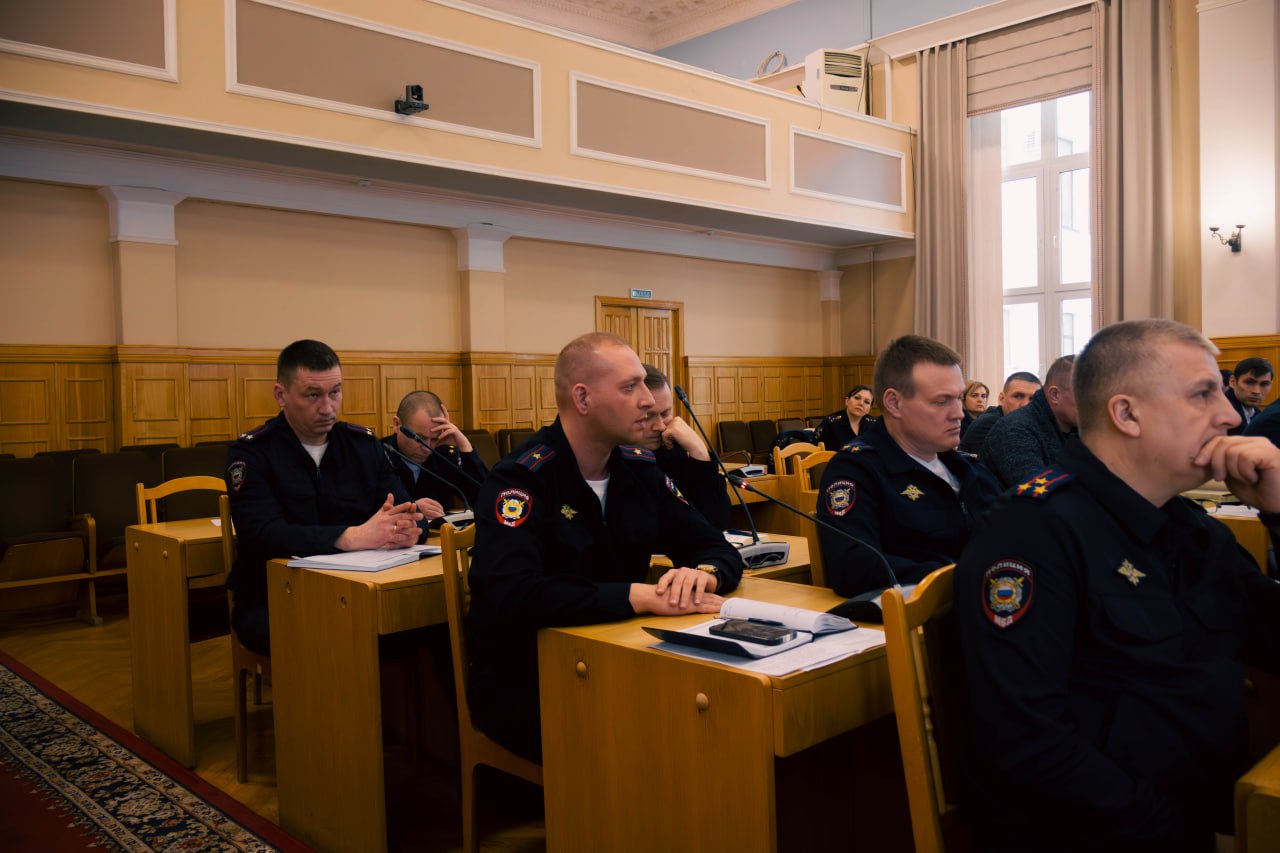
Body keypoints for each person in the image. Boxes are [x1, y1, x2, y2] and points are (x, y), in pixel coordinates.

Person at [954, 319, 1280, 852]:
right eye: (1203, 394)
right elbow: (1027, 743)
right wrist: (1182, 834)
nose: (1227, 415)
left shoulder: (1187, 526)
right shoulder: (1033, 532)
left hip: (1205, 811)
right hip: (1119, 832)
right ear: (1126, 413)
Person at [465, 332, 743, 762]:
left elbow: (712, 543)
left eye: (644, 386)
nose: (649, 401)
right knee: (671, 730)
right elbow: (515, 594)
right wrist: (639, 595)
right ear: (582, 398)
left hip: (620, 658)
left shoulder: (638, 468)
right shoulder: (521, 480)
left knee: (722, 710)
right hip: (529, 678)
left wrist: (703, 573)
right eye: (630, 387)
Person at [225, 340, 425, 655]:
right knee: (333, 637)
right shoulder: (253, 453)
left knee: (431, 623)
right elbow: (263, 534)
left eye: (335, 392)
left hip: (361, 591)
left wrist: (408, 529)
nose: (327, 407)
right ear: (281, 395)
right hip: (275, 598)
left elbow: (404, 509)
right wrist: (352, 536)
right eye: (313, 395)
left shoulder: (362, 445)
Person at [814, 335, 1001, 599]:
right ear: (894, 403)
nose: (958, 412)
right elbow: (855, 568)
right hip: (931, 620)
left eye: (959, 398)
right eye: (941, 401)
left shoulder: (968, 468)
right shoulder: (858, 470)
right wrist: (964, 576)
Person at [639, 364, 731, 529]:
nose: (660, 426)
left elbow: (716, 521)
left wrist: (699, 452)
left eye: (665, 413)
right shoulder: (608, 458)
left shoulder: (673, 451)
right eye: (649, 416)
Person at [381, 390, 488, 514]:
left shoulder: (442, 454)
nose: (427, 448)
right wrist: (410, 509)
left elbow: (487, 501)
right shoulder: (377, 455)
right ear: (397, 424)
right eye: (420, 438)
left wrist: (465, 448)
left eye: (435, 438)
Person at [979, 355, 1078, 487]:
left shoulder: (1079, 429)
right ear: (1054, 395)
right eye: (1087, 394)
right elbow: (1042, 496)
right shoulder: (1013, 430)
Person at [958, 371, 1041, 454]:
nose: (1025, 404)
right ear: (1002, 399)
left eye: (1032, 399)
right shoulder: (989, 424)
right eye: (1018, 396)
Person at [812, 384, 877, 449]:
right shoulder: (830, 423)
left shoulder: (874, 425)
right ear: (847, 401)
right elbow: (815, 450)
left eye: (867, 402)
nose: (861, 403)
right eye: (857, 398)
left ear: (869, 409)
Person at [1225, 356, 1274, 435]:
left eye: (1264, 384)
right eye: (1249, 383)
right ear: (1233, 381)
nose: (1256, 391)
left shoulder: (1256, 412)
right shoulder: (1223, 412)